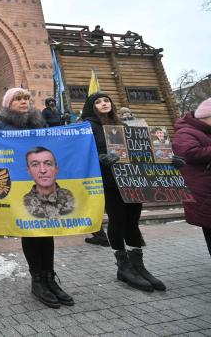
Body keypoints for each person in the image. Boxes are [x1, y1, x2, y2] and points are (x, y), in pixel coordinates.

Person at [0, 88, 73, 308]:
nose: (24, 102)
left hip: (42, 184)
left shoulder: (39, 124)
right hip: (19, 185)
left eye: (26, 98)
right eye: (18, 99)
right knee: (30, 232)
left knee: (46, 233)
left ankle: (50, 278)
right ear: (9, 103)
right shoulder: (0, 127)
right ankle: (37, 280)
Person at [81, 93, 165, 292]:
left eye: (107, 100)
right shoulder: (88, 127)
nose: (104, 104)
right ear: (91, 106)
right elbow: (83, 152)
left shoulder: (123, 125)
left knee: (132, 222)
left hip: (132, 179)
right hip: (110, 182)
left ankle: (138, 265)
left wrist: (168, 157)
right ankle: (123, 267)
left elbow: (143, 148)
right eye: (99, 101)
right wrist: (101, 158)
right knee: (117, 221)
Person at [172, 98, 211, 257]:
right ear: (206, 117)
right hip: (204, 194)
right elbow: (189, 153)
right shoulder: (185, 132)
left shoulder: (205, 131)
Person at [23, 147, 75, 219]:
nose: (43, 170)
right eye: (35, 165)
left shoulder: (70, 198)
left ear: (56, 169)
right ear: (28, 171)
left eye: (48, 164)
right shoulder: (23, 203)